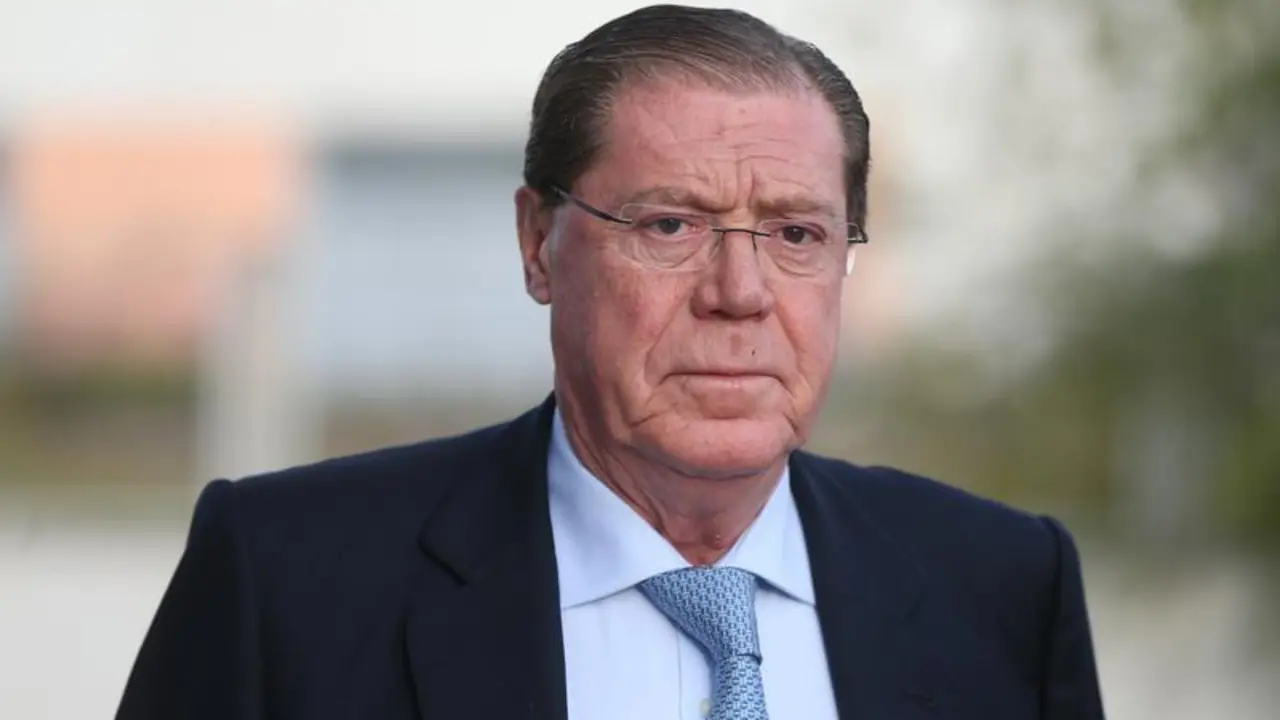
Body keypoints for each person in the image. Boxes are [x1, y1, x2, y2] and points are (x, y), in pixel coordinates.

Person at [116, 5, 1105, 719]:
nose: (740, 292)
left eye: (796, 234)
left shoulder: (1004, 589)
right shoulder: (285, 581)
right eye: (670, 224)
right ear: (538, 245)